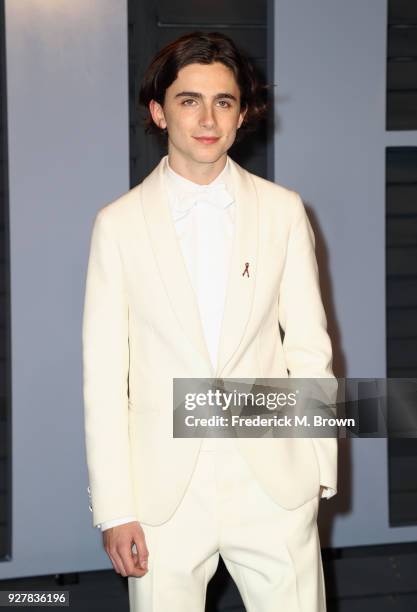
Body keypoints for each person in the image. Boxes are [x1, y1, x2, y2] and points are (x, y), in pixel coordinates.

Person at [82, 31, 338, 612]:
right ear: (158, 110)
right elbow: (103, 379)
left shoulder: (283, 210)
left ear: (241, 114)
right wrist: (117, 509)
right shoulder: (117, 226)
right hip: (162, 497)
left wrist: (318, 465)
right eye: (188, 99)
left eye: (223, 101)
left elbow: (308, 347)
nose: (207, 117)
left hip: (274, 484)